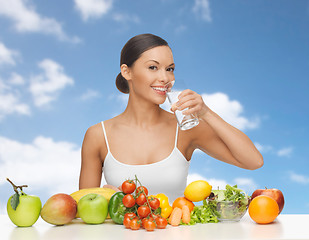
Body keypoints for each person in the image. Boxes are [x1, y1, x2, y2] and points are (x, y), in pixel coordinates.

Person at [79, 33, 263, 203]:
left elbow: (253, 161)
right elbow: (84, 207)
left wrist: (206, 112)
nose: (165, 77)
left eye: (170, 69)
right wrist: (110, 199)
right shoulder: (98, 135)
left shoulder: (186, 128)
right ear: (127, 72)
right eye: (153, 67)